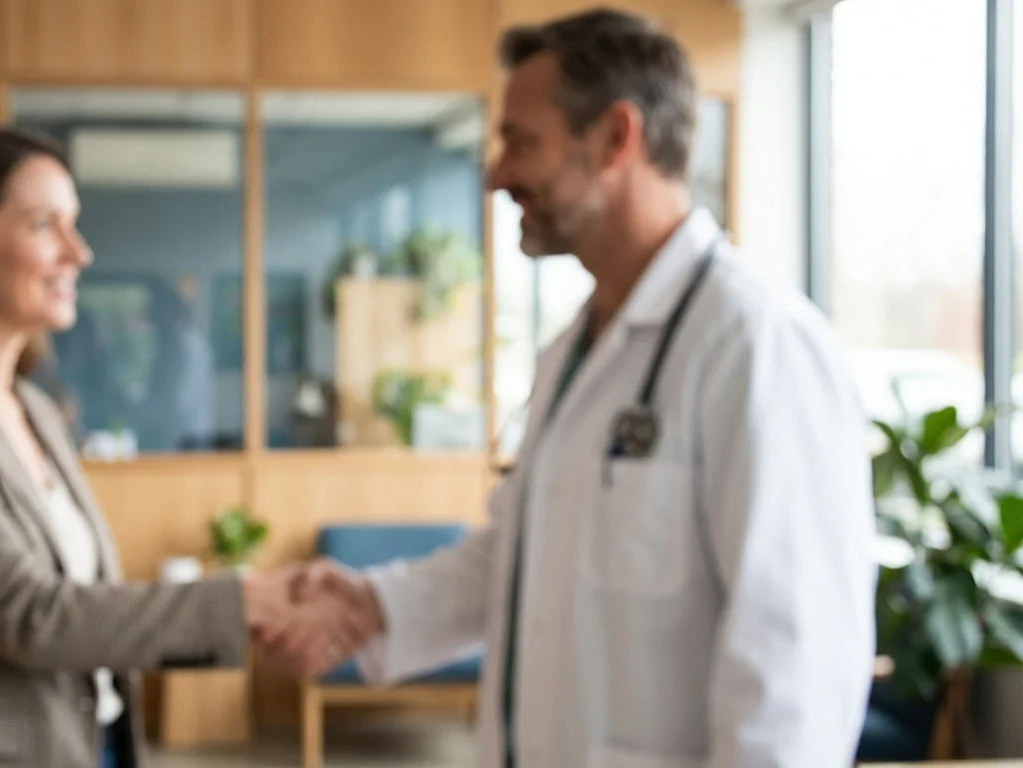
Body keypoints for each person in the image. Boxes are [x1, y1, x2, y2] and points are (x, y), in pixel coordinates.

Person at [292, 9, 878, 767]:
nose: (495, 174)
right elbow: (522, 554)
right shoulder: (574, 349)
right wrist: (374, 605)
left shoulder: (757, 347)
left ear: (615, 139)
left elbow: (793, 669)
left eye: (520, 141)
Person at [0, 126, 368, 768]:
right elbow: (28, 613)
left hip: (84, 742)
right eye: (45, 225)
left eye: (74, 224)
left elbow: (78, 599)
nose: (79, 252)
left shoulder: (36, 410)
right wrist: (247, 601)